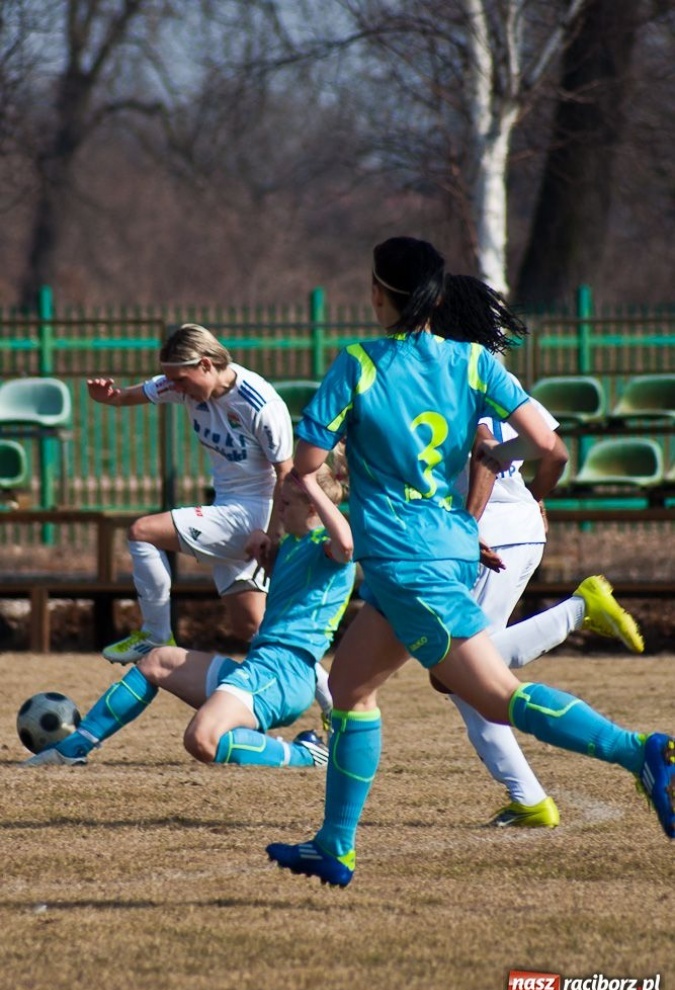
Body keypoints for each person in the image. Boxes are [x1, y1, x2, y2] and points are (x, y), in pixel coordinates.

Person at [263, 235, 675, 888]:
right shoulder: (473, 364)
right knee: (349, 689)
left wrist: (327, 475)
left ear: (379, 294)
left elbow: (307, 465)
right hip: (448, 552)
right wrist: (534, 498)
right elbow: (544, 442)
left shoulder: (359, 363)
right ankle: (332, 845)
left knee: (492, 695)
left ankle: (641, 752)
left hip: (404, 562)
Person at [22, 465, 355, 770]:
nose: (277, 512)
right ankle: (72, 749)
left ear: (313, 507)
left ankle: (305, 755)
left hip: (281, 677)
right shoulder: (296, 545)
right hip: (260, 667)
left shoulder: (325, 544)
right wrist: (268, 557)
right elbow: (297, 588)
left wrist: (310, 483)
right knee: (157, 662)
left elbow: (346, 546)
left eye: (285, 505)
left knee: (201, 740)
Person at [434, 392, 644, 829]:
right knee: (464, 682)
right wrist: (534, 496)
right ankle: (528, 800)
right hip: (523, 528)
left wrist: (467, 526)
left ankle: (580, 608)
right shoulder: (505, 382)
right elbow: (557, 452)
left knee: (457, 670)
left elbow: (483, 448)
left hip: (489, 537)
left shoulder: (455, 374)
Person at [87, 324, 294, 663]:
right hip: (229, 510)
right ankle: (334, 703)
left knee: (142, 532)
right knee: (256, 630)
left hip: (255, 514)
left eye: (181, 379)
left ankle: (155, 634)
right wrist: (110, 398)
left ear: (207, 364)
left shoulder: (260, 403)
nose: (175, 388)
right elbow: (126, 396)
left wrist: (270, 536)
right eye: (170, 380)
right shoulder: (182, 385)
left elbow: (285, 474)